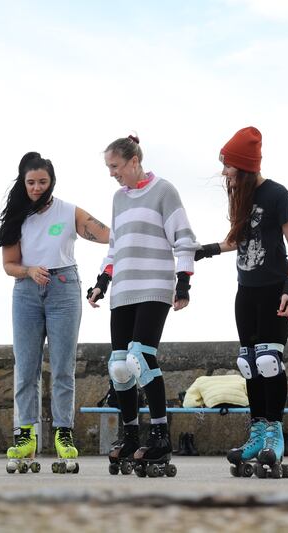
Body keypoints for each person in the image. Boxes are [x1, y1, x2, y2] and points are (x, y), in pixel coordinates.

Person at [0, 152, 109, 474]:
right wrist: (28, 271)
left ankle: (63, 433)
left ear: (51, 180)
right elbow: (8, 265)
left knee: (62, 368)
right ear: (22, 182)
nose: (37, 187)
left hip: (64, 289)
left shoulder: (68, 212)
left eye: (43, 181)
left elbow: (103, 233)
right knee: (25, 366)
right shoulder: (16, 216)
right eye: (31, 182)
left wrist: (136, 229)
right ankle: (25, 434)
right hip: (27, 292)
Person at [195, 126, 288, 478]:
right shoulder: (239, 196)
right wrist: (205, 251)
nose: (225, 172)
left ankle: (275, 433)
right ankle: (257, 431)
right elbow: (236, 240)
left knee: (270, 361)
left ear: (245, 166)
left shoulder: (278, 195)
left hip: (275, 288)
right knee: (249, 363)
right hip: (247, 291)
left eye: (229, 166)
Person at [88, 134, 198, 478]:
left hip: (154, 285)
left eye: (115, 166)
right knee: (119, 367)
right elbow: (115, 246)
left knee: (141, 358)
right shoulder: (118, 199)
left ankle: (161, 435)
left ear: (134, 161)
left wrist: (184, 282)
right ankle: (131, 433)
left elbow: (183, 237)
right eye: (109, 167)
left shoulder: (164, 191)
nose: (112, 173)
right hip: (123, 289)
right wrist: (102, 282)